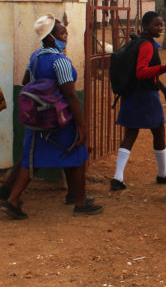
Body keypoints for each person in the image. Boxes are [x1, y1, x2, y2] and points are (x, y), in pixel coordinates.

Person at [1, 15, 102, 219]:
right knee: (77, 154)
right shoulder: (61, 61)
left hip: (38, 117)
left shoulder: (35, 57)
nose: (65, 37)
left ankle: (12, 200)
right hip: (60, 118)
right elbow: (70, 95)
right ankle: (80, 203)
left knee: (31, 159)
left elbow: (26, 80)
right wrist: (82, 125)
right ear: (49, 37)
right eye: (62, 33)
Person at [110, 11, 166, 191]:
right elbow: (141, 72)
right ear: (145, 26)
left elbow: (138, 72)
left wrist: (161, 86)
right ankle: (162, 173)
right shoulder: (147, 45)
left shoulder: (136, 43)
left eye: (161, 25)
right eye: (156, 24)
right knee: (159, 131)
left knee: (131, 133)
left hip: (132, 94)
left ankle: (118, 177)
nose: (160, 28)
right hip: (145, 95)